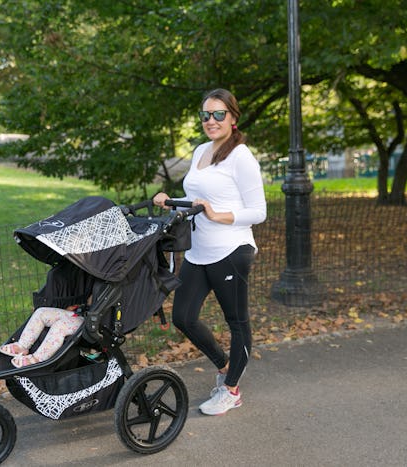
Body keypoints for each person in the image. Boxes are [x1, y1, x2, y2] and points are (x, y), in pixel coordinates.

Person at [153, 88, 266, 416]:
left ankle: (231, 389)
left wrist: (218, 215)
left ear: (233, 118)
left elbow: (259, 211)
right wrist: (171, 200)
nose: (211, 121)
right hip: (198, 250)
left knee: (237, 321)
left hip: (231, 249)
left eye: (219, 114)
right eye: (206, 115)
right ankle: (225, 365)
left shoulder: (241, 156)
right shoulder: (202, 150)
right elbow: (198, 199)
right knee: (183, 317)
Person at [0, 304, 84, 368]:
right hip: (80, 312)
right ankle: (23, 345)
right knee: (41, 312)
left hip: (89, 321)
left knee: (60, 326)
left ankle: (37, 359)